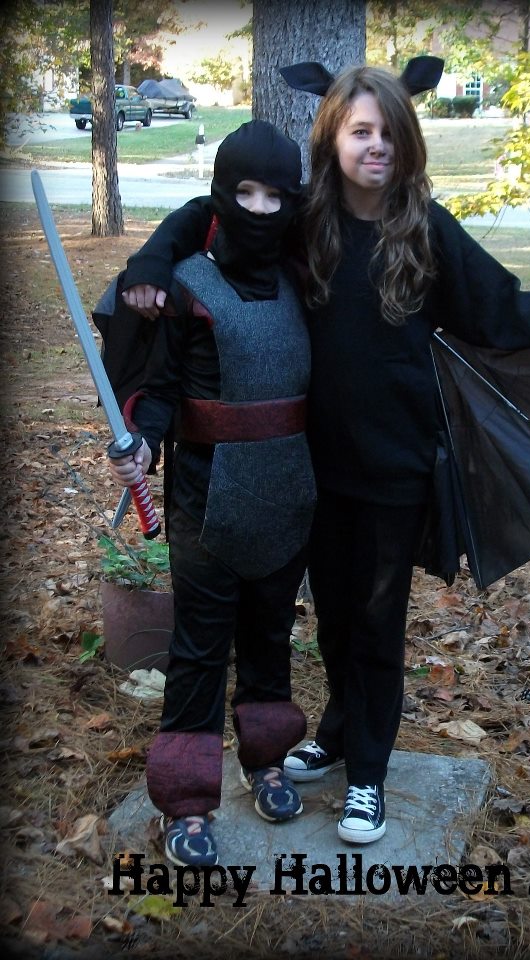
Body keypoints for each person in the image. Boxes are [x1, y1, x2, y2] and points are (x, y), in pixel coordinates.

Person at [118, 57, 530, 847]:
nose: (377, 146)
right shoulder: (305, 223)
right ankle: (337, 732)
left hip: (394, 468)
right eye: (361, 131)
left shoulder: (426, 231)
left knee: (374, 624)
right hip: (307, 469)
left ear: (407, 142)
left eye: (389, 133)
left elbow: (506, 313)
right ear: (333, 140)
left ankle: (367, 773)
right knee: (332, 621)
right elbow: (213, 211)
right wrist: (150, 262)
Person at [105, 120, 316, 867]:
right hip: (205, 501)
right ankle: (187, 799)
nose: (259, 209)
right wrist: (142, 439)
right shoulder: (189, 284)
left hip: (289, 495)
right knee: (199, 651)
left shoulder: (303, 279)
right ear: (223, 194)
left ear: (290, 200)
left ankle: (265, 760)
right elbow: (161, 390)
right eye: (244, 193)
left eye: (274, 195)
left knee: (269, 637)